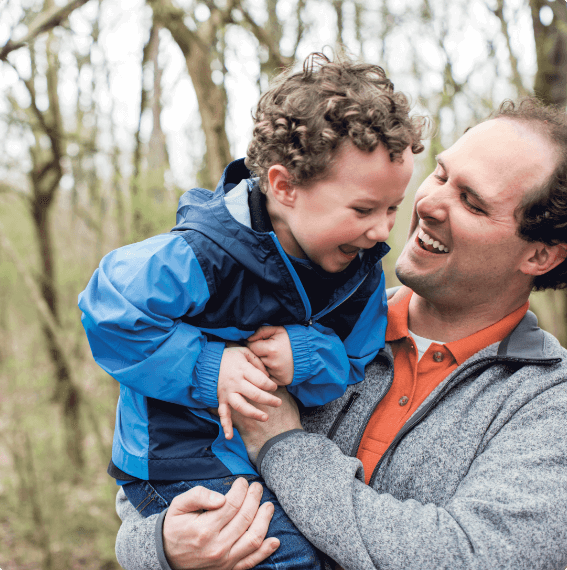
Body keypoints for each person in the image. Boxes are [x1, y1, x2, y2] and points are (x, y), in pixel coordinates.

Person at [115, 98, 567, 570]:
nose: (428, 203)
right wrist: (162, 549)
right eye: (439, 174)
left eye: (471, 202)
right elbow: (154, 475)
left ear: (540, 256)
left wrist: (283, 445)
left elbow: (467, 558)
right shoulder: (318, 317)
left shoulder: (549, 406)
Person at [78, 52, 424, 569]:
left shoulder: (361, 273)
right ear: (285, 187)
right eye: (363, 210)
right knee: (285, 558)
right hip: (180, 458)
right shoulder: (207, 250)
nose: (382, 232)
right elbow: (109, 310)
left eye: (393, 209)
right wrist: (207, 367)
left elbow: (354, 361)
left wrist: (305, 356)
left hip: (267, 460)